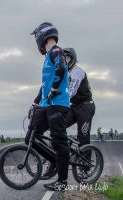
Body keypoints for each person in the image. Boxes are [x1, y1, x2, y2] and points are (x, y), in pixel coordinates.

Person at [29, 22, 70, 191]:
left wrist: (54, 90)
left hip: (58, 104)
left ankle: (62, 181)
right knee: (31, 136)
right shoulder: (48, 56)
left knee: (59, 141)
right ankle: (54, 160)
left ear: (41, 36)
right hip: (46, 104)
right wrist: (36, 101)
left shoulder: (56, 51)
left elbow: (61, 68)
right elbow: (44, 84)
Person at [64, 48, 95, 147]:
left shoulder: (77, 71)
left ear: (72, 59)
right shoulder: (65, 73)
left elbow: (72, 91)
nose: (65, 60)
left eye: (67, 58)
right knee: (58, 125)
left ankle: (85, 161)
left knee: (83, 136)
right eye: (63, 58)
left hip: (85, 106)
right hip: (74, 106)